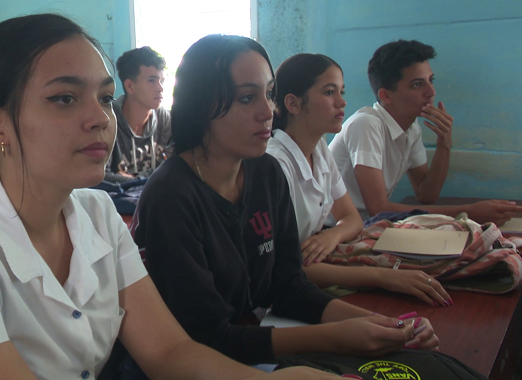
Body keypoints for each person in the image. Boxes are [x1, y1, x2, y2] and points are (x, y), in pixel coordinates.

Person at [0, 14, 334, 380]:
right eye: (64, 99)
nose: (100, 118)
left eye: (104, 96)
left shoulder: (97, 213)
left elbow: (170, 353)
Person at [132, 34, 438, 370]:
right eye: (247, 98)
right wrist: (337, 336)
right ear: (200, 104)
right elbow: (206, 337)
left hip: (251, 336)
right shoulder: (171, 196)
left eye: (270, 94)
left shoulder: (265, 172)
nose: (268, 112)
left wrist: (380, 323)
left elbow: (288, 284)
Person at [266, 53, 452, 307]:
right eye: (330, 92)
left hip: (314, 260)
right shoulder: (275, 164)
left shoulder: (318, 149)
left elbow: (351, 217)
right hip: (279, 290)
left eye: (341, 91)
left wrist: (332, 236)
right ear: (293, 104)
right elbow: (281, 266)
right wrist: (383, 277)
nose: (342, 102)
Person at [329, 40, 522, 225]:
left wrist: (444, 144)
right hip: (331, 230)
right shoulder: (366, 124)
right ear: (386, 95)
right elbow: (379, 209)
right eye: (417, 84)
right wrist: (470, 212)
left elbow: (426, 194)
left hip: (364, 227)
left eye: (431, 80)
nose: (431, 92)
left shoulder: (411, 128)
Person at [104, 46, 171, 183]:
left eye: (162, 81)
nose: (160, 88)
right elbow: (101, 177)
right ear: (130, 86)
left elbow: (172, 168)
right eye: (152, 80)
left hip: (154, 197)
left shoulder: (164, 118)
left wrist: (137, 179)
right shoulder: (107, 120)